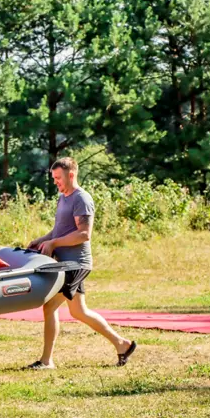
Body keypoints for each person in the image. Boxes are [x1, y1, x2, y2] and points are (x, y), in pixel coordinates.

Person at [26, 157, 136, 369]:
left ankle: (47, 361)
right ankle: (122, 345)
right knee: (77, 311)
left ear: (71, 175)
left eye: (58, 178)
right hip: (66, 264)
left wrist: (54, 243)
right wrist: (41, 241)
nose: (55, 182)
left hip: (76, 264)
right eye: (54, 178)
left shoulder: (81, 198)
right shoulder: (63, 198)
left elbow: (84, 234)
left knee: (51, 307)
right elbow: (59, 231)